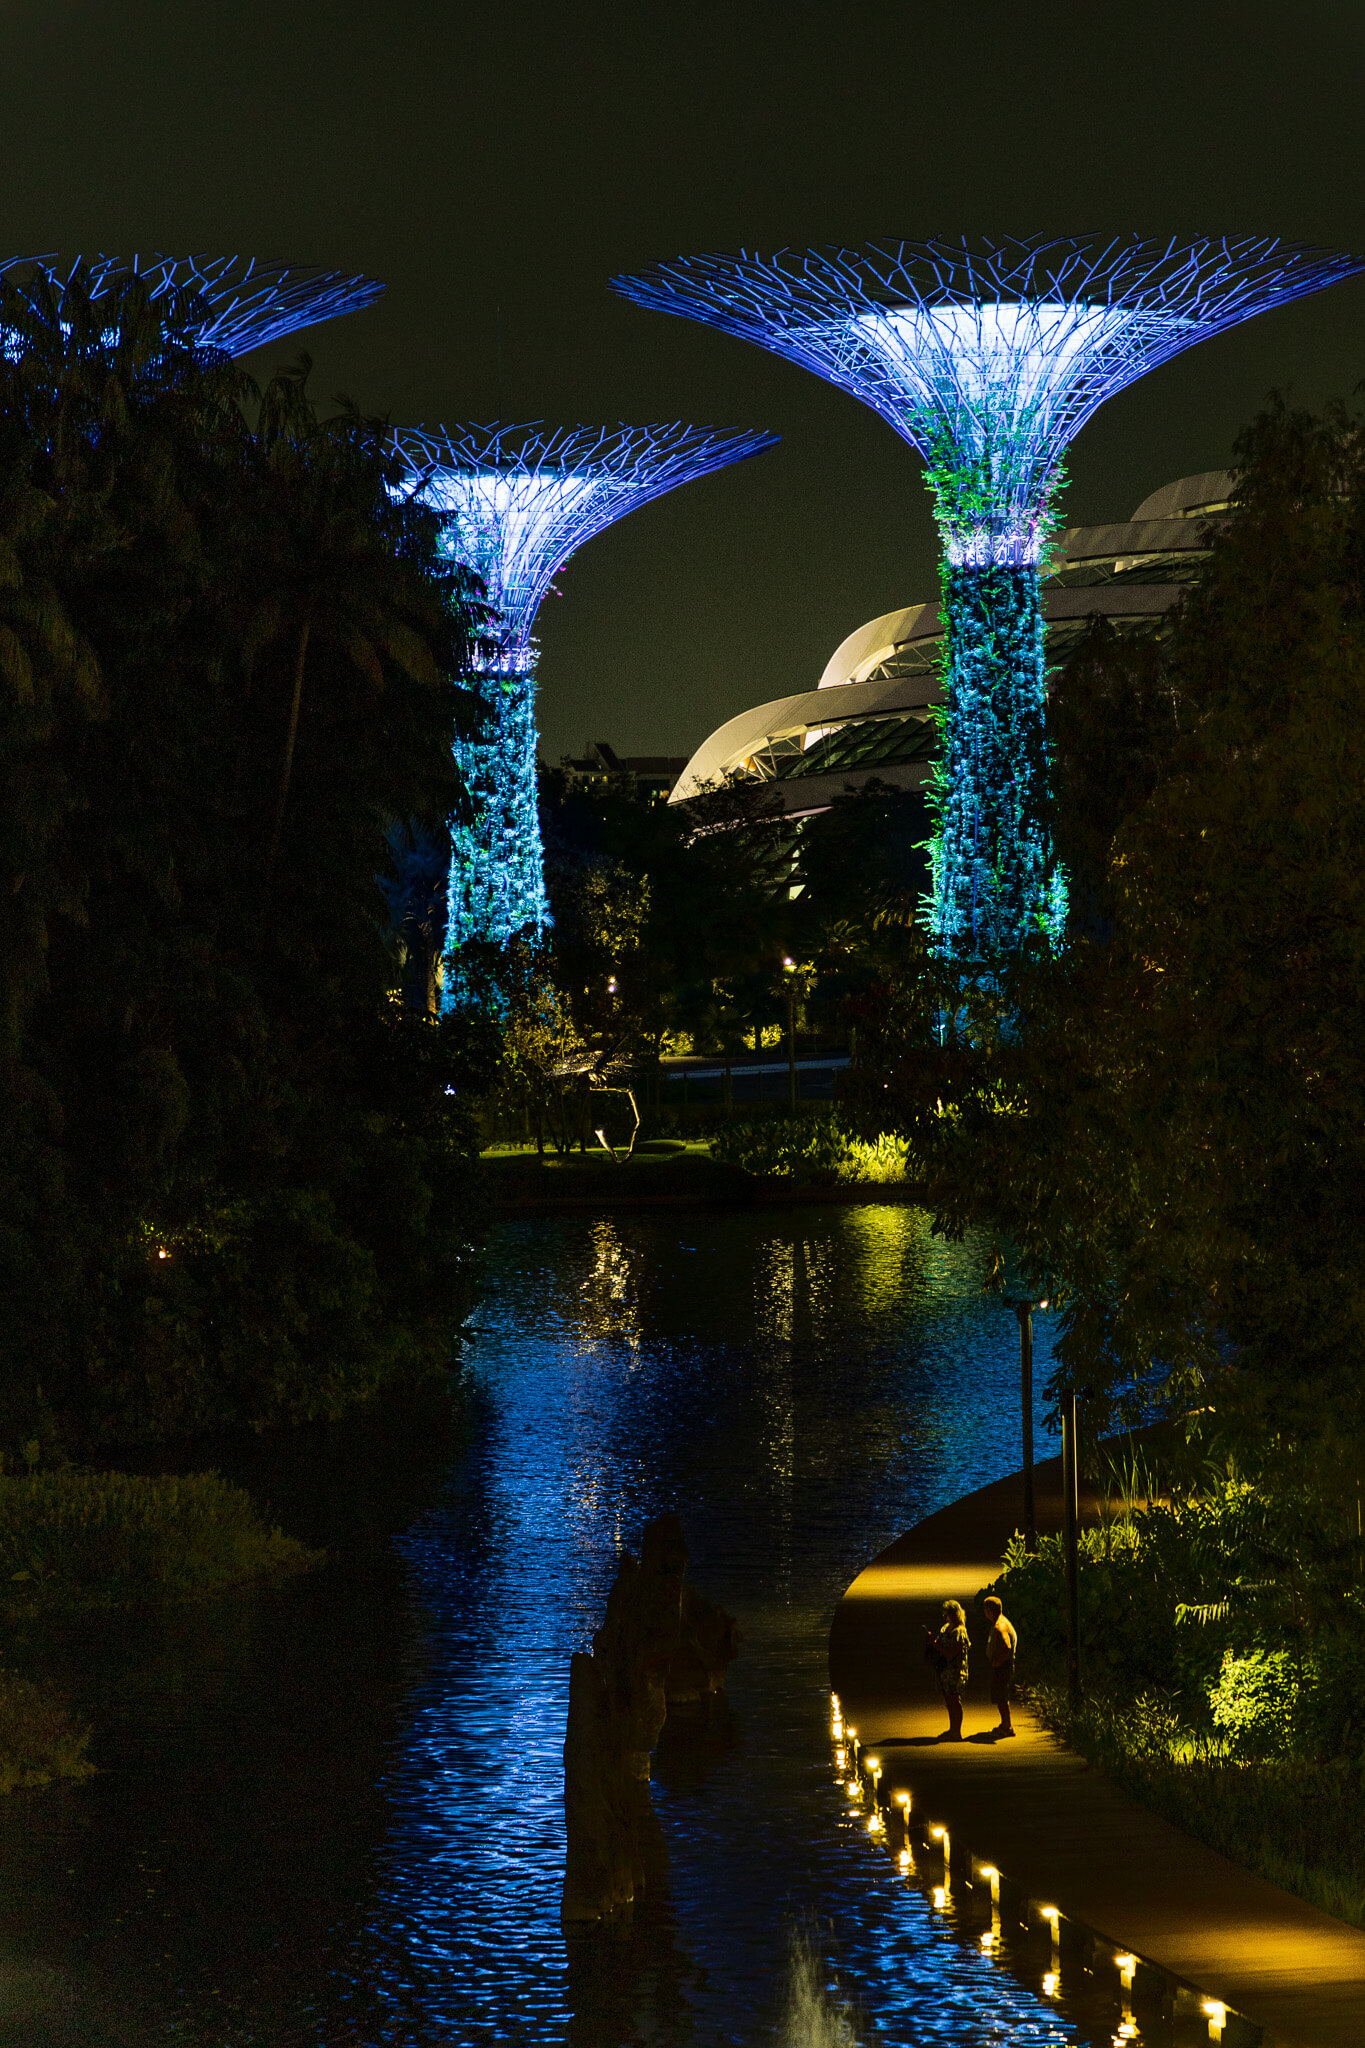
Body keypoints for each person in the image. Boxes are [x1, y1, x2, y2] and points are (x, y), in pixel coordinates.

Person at [923, 1599, 970, 1740]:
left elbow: (951, 1653)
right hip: (944, 1670)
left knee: (954, 1700)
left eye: (947, 1614)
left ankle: (957, 1731)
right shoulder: (946, 1628)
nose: (945, 1617)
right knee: (949, 1701)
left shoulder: (960, 1632)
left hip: (955, 1672)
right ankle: (952, 1729)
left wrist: (935, 1645)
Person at [983, 1594, 1018, 1738]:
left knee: (1001, 1696)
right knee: (1000, 1695)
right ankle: (1005, 1723)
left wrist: (998, 1661)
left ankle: (1007, 1725)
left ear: (990, 1611)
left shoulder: (1000, 1626)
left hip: (1003, 1666)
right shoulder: (1001, 1622)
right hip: (1003, 1665)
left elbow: (1007, 1645)